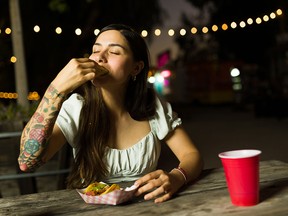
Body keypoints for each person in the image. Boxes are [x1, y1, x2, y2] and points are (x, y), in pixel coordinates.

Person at [18, 24, 203, 203]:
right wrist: (55, 90)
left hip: (147, 206)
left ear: (136, 68)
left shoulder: (151, 104)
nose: (99, 58)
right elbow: (27, 162)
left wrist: (177, 177)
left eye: (114, 52)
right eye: (96, 50)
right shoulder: (77, 107)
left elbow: (191, 154)